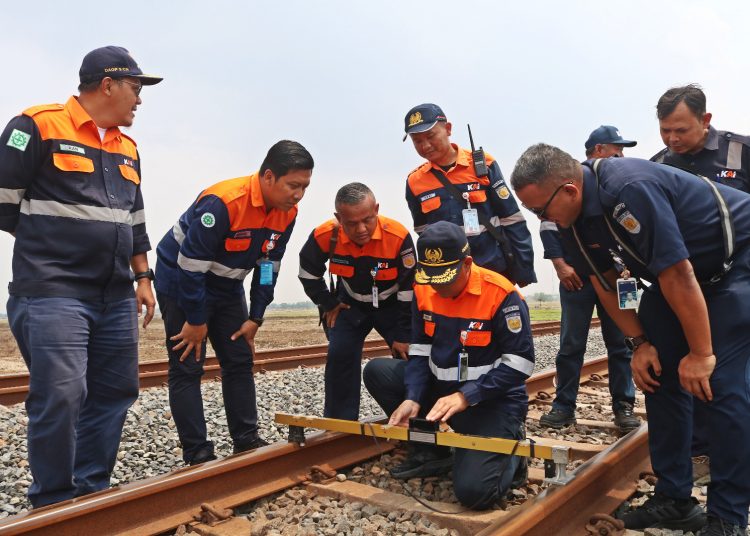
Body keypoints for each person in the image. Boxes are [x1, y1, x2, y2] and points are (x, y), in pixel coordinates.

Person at [511, 144, 750, 535]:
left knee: (718, 383)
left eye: (541, 210)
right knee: (657, 374)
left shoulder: (628, 188)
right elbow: (604, 281)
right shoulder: (569, 221)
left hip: (736, 262)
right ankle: (675, 500)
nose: (542, 219)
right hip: (682, 275)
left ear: (570, 190)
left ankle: (728, 517)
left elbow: (677, 274)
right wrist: (640, 345)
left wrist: (701, 353)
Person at [0, 46, 161, 507]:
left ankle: (90, 490)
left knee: (115, 391)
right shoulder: (37, 125)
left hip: (114, 295)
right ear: (107, 85)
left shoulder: (127, 147)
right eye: (135, 88)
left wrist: (143, 277)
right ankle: (52, 501)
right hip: (54, 293)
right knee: (63, 394)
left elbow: (134, 220)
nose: (140, 100)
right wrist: (54, 244)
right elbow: (4, 202)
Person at [154, 140, 313, 465]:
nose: (298, 194)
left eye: (305, 187)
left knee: (239, 359)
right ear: (269, 177)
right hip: (181, 281)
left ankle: (247, 440)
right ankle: (197, 453)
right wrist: (196, 321)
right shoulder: (224, 202)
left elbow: (269, 266)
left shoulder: (287, 213)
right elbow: (191, 265)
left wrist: (256, 316)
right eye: (293, 185)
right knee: (187, 365)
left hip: (226, 287)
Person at [363, 221, 534, 509]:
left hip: (490, 401)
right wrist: (412, 397)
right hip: (443, 396)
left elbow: (521, 364)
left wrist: (468, 395)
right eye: (432, 278)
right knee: (378, 371)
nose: (438, 287)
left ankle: (514, 453)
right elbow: (419, 351)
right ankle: (432, 451)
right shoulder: (424, 289)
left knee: (474, 493)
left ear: (467, 263)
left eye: (446, 278)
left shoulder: (500, 294)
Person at [537, 125, 638, 432]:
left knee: (622, 344)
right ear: (597, 151)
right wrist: (560, 266)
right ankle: (563, 406)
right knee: (571, 345)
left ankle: (624, 406)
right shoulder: (571, 182)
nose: (621, 154)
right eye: (614, 148)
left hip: (620, 278)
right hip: (577, 278)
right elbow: (548, 226)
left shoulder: (620, 183)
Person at [298, 182, 414, 420]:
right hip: (350, 304)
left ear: (377, 209)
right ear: (338, 218)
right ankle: (339, 424)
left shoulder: (398, 236)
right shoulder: (325, 235)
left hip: (393, 306)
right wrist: (328, 303)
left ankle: (413, 420)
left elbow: (409, 289)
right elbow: (307, 272)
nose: (361, 229)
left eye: (368, 220)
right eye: (351, 223)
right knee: (340, 355)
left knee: (409, 356)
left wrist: (403, 334)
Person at [403, 103, 536, 286]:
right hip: (449, 278)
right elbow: (423, 232)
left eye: (431, 136)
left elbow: (512, 219)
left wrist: (523, 270)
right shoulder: (414, 181)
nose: (425, 145)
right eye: (417, 141)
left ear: (448, 129)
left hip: (492, 271)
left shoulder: (484, 165)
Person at [652, 84, 750, 192]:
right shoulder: (657, 166)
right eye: (665, 130)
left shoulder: (742, 151)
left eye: (681, 130)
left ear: (705, 120)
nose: (672, 139)